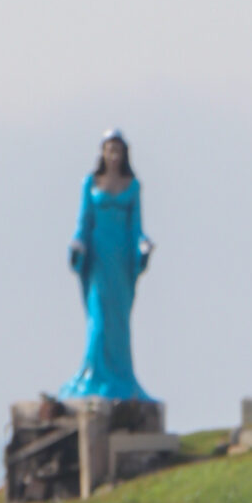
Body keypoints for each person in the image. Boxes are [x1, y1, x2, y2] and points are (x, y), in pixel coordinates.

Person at [62, 131, 155, 402]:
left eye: (118, 151)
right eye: (109, 150)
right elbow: (83, 222)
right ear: (102, 152)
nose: (113, 156)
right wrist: (77, 244)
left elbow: (137, 225)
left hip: (121, 256)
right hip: (99, 255)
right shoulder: (90, 183)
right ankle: (95, 375)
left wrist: (143, 247)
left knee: (119, 322)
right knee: (99, 318)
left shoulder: (133, 186)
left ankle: (120, 376)